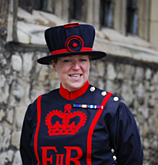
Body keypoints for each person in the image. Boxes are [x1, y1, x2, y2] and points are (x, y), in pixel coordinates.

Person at [20, 23, 143, 165]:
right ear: (54, 65)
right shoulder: (38, 108)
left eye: (83, 60)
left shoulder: (113, 109)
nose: (76, 67)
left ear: (89, 63)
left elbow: (132, 161)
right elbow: (28, 159)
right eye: (67, 60)